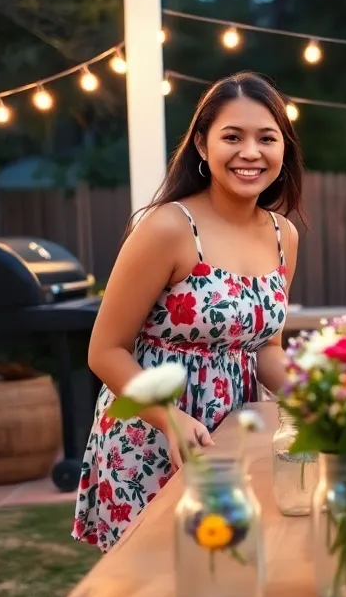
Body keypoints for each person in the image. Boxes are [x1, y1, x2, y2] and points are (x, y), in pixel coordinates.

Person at [73, 72, 302, 551]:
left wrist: (316, 401)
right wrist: (170, 418)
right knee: (151, 593)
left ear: (284, 150)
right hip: (153, 434)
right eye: (232, 137)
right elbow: (105, 350)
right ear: (202, 144)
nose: (250, 153)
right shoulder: (168, 228)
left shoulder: (284, 236)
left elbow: (266, 350)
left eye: (266, 138)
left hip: (237, 435)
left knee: (233, 575)